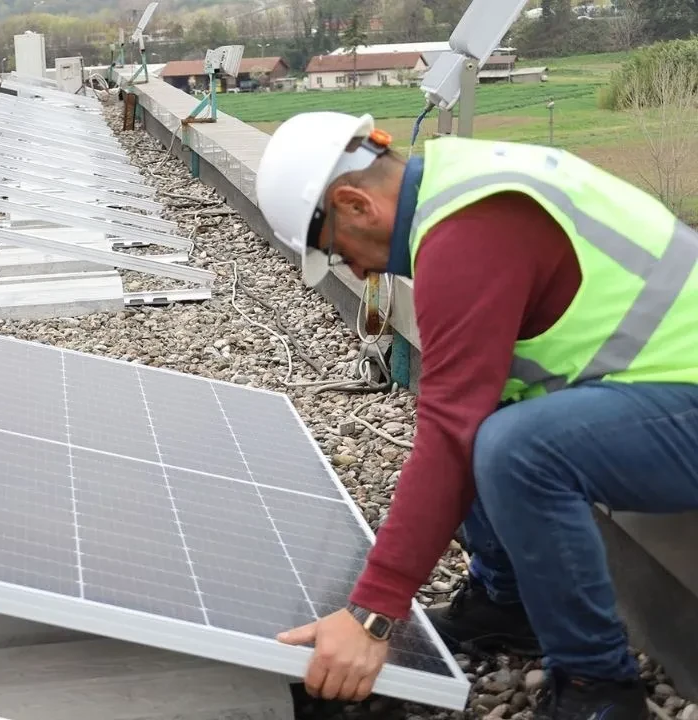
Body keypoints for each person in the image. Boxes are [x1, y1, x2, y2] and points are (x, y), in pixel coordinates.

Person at [253, 111, 698, 720]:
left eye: (336, 252)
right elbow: (459, 410)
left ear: (356, 205)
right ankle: (509, 603)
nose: (356, 271)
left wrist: (372, 614)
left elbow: (451, 432)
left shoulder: (469, 232)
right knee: (487, 416)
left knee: (516, 448)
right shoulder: (456, 185)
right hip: (664, 390)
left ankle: (600, 691)